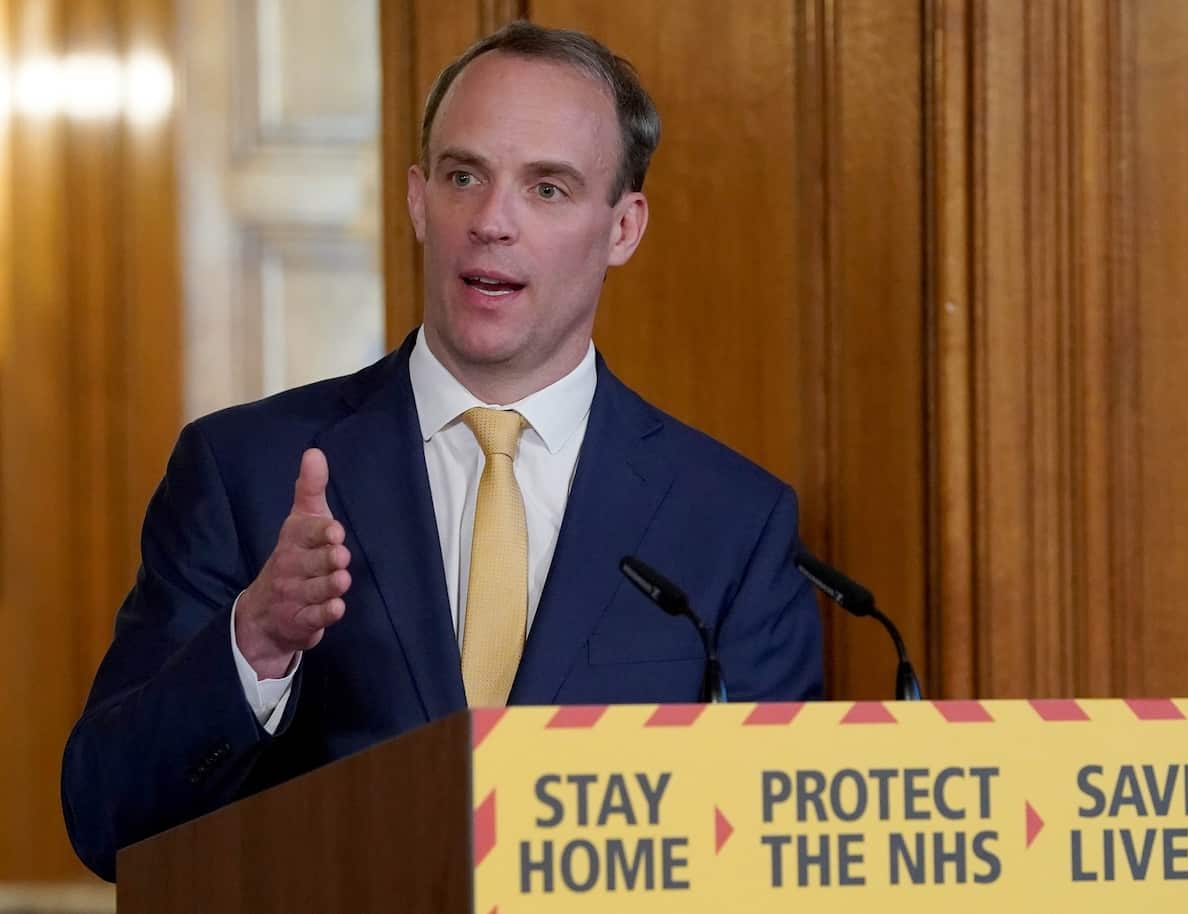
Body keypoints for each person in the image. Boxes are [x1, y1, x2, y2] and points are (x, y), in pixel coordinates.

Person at [61, 21, 823, 882]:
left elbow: (776, 864)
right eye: (465, 176)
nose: (492, 221)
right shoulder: (244, 472)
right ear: (419, 200)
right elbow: (105, 824)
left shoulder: (729, 520)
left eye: (547, 188)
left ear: (624, 228)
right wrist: (256, 645)